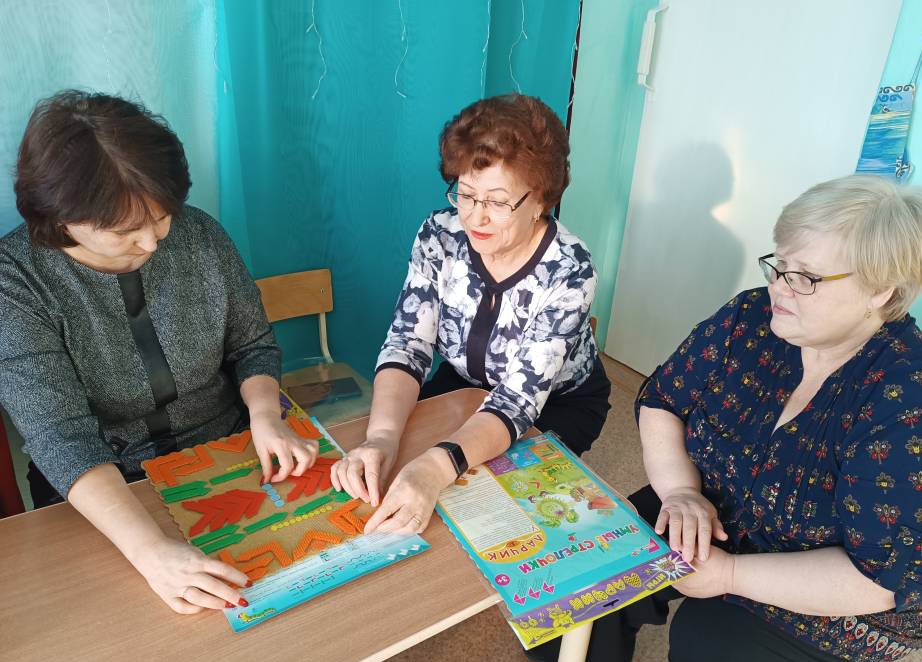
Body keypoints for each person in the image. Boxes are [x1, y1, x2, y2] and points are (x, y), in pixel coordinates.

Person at [630, 174, 922, 662]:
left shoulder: (914, 404)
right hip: (732, 508)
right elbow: (663, 399)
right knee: (620, 541)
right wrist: (679, 492)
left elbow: (880, 580)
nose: (778, 288)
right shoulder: (752, 319)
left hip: (864, 595)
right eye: (779, 264)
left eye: (806, 277)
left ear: (881, 292)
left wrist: (729, 576)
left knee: (711, 644)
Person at [0, 91, 318, 614]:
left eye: (162, 215)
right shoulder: (17, 283)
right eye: (125, 230)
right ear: (60, 220)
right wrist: (150, 553)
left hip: (229, 448)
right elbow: (62, 439)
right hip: (107, 485)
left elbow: (253, 345)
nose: (152, 242)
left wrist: (266, 417)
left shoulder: (199, 234)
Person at [331, 93, 610, 534]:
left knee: (484, 508)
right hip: (464, 381)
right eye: (466, 194)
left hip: (555, 403)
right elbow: (408, 343)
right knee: (396, 468)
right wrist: (380, 437)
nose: (475, 218)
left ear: (541, 199)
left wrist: (435, 468)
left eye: (497, 202)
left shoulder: (570, 269)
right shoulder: (439, 236)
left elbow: (517, 401)